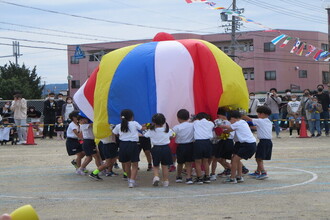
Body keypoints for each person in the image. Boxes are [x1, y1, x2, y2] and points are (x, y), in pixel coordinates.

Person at [219, 110, 257, 184]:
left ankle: (232, 178)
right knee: (235, 159)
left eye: (230, 120)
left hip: (248, 144)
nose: (230, 122)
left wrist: (219, 125)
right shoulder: (242, 122)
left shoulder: (238, 123)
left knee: (234, 160)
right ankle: (239, 176)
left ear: (233, 118)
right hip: (242, 143)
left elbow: (228, 128)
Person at [112, 109, 142, 188]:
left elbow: (114, 133)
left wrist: (121, 136)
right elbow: (142, 128)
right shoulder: (134, 123)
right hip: (133, 145)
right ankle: (132, 181)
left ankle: (129, 180)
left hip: (123, 145)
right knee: (135, 164)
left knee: (127, 164)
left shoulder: (119, 125)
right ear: (132, 117)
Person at [243, 106, 273, 180]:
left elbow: (249, 119)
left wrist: (241, 115)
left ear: (263, 114)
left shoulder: (260, 121)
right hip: (268, 142)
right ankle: (257, 171)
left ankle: (263, 172)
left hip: (263, 142)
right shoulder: (268, 121)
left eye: (258, 114)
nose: (258, 115)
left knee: (258, 158)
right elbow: (259, 128)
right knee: (260, 157)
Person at [144, 113, 174, 187]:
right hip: (166, 148)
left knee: (156, 165)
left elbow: (145, 135)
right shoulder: (167, 130)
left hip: (156, 148)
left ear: (153, 122)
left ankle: (156, 176)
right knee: (165, 166)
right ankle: (166, 181)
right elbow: (173, 135)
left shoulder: (151, 131)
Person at [172, 109, 195, 185]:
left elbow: (172, 136)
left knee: (180, 162)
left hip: (181, 146)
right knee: (189, 163)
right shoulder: (192, 125)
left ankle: (179, 176)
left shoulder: (177, 127)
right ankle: (189, 177)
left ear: (178, 118)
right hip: (190, 145)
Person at [192, 112, 214, 184]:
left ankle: (199, 178)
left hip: (198, 143)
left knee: (198, 162)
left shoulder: (196, 122)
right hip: (208, 142)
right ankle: (207, 176)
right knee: (206, 161)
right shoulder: (211, 123)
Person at [215, 107, 235, 178]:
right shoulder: (226, 121)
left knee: (221, 158)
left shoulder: (228, 123)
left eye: (218, 116)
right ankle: (228, 169)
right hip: (223, 141)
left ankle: (232, 170)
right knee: (220, 158)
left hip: (227, 141)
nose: (218, 117)